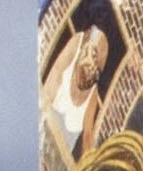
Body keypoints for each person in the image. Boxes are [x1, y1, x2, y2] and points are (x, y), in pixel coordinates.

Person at [46, 24, 110, 160]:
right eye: (87, 53)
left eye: (94, 57)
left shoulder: (92, 95)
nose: (89, 60)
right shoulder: (75, 45)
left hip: (57, 160)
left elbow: (87, 139)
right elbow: (50, 86)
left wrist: (86, 166)